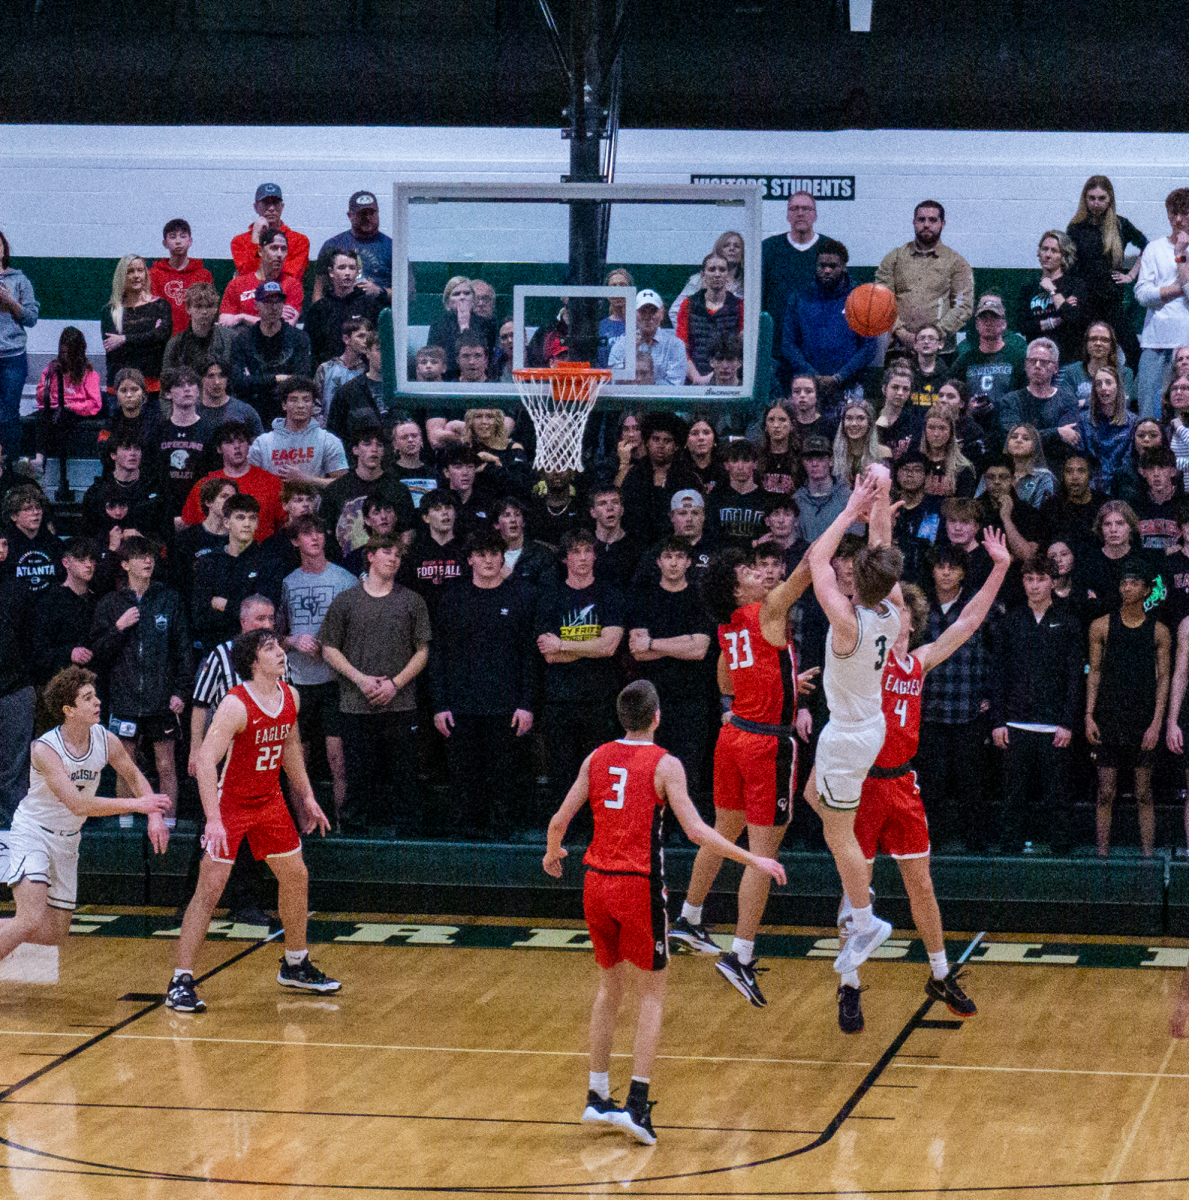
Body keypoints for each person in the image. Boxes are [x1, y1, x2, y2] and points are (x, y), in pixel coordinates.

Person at [543, 679, 786, 1146]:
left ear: (622, 717)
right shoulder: (665, 764)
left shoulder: (596, 758)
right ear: (657, 716)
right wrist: (754, 859)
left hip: (595, 881)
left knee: (609, 990)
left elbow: (558, 821)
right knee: (651, 996)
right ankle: (636, 1104)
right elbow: (696, 830)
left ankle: (596, 1095)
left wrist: (553, 853)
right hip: (638, 886)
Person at [837, 530, 1011, 1033]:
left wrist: (999, 566)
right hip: (863, 783)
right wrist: (877, 512)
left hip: (902, 784)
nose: (896, 614)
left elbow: (972, 618)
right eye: (889, 607)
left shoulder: (920, 661)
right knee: (856, 890)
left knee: (922, 884)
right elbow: (877, 581)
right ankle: (848, 984)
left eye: (903, 609)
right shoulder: (865, 655)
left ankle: (939, 973)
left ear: (912, 620)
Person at [668, 547, 813, 1002]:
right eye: (752, 572)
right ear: (737, 588)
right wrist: (854, 509)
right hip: (766, 743)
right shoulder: (767, 608)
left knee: (724, 830)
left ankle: (690, 918)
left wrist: (781, 681)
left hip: (733, 738)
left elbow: (727, 685)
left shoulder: (728, 625)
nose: (763, 575)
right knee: (762, 854)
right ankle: (741, 955)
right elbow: (810, 566)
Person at [166, 628, 336, 1013]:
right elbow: (206, 762)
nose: (280, 651)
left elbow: (289, 747)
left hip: (270, 800)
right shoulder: (235, 705)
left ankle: (295, 963)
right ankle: (180, 980)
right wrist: (212, 819)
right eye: (270, 648)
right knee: (210, 890)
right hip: (231, 804)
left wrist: (307, 796)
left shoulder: (290, 695)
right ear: (253, 662)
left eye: (279, 644)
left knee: (296, 875)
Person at [0, 667, 170, 972]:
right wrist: (140, 805)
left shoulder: (106, 740)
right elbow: (78, 804)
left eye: (96, 695)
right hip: (33, 833)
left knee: (54, 934)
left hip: (68, 841)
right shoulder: (45, 749)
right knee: (29, 918)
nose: (98, 702)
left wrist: (154, 815)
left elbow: (133, 774)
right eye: (88, 698)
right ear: (69, 710)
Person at [805, 470, 902, 977]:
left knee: (840, 835)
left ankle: (865, 920)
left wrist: (851, 508)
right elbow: (882, 551)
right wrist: (880, 502)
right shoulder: (890, 612)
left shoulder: (846, 621)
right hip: (868, 727)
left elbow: (816, 559)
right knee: (813, 801)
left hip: (846, 735)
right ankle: (861, 911)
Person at [319, 533, 430, 835]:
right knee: (356, 778)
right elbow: (328, 647)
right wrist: (360, 680)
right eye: (386, 551)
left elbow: (423, 651)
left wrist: (394, 684)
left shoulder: (412, 600)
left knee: (405, 778)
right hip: (355, 705)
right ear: (370, 556)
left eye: (398, 554)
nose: (393, 558)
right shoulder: (346, 600)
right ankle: (354, 841)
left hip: (401, 704)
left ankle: (410, 842)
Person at [430, 528, 536, 840]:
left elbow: (530, 656)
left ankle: (503, 839)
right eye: (481, 554)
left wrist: (527, 703)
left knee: (504, 779)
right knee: (464, 780)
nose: (488, 560)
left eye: (494, 554)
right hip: (461, 707)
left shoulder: (521, 596)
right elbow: (438, 656)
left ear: (503, 557)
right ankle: (464, 841)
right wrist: (439, 705)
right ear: (470, 559)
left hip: (507, 706)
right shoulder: (452, 598)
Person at [90, 536, 192, 818]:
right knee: (126, 765)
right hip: (124, 698)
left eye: (150, 556)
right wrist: (118, 628)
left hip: (162, 699)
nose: (148, 561)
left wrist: (181, 691)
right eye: (139, 556)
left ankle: (168, 826)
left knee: (166, 766)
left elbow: (183, 650)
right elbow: (97, 653)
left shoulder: (169, 598)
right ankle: (125, 827)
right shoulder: (110, 603)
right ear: (124, 564)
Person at [990, 555, 1083, 857]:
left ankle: (1062, 853)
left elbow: (1074, 678)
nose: (1034, 585)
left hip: (1054, 725)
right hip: (1015, 724)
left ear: (1053, 582)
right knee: (1013, 795)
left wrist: (1068, 722)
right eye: (1029, 579)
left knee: (1058, 796)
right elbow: (998, 673)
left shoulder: (1068, 621)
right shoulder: (1011, 620)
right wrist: (997, 720)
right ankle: (1008, 851)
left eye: (1040, 579)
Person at [534, 529, 625, 816]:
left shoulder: (610, 594)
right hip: (560, 699)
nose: (583, 557)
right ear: (564, 558)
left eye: (588, 551)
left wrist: (563, 644)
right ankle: (565, 832)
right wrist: (588, 647)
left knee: (600, 769)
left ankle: (598, 828)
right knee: (563, 773)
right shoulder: (550, 597)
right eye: (575, 551)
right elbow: (548, 655)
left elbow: (610, 646)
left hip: (600, 698)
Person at [1086, 560, 1170, 857]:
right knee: (1105, 791)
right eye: (1124, 583)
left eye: (1134, 583)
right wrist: (1088, 716)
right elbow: (1094, 672)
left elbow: (1164, 679)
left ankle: (1148, 859)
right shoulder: (1101, 625)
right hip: (1108, 717)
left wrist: (1157, 722)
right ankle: (1102, 856)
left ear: (1147, 589)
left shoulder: (1159, 631)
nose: (1127, 587)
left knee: (1144, 792)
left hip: (1143, 718)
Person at [279, 515, 356, 826]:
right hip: (299, 681)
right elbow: (274, 635)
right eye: (306, 534)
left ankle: (341, 824)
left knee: (338, 760)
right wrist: (293, 640)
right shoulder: (288, 582)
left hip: (333, 681)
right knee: (299, 760)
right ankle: (303, 827)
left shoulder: (345, 579)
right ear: (296, 541)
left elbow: (357, 630)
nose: (315, 539)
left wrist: (333, 646)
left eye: (319, 533)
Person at [761, 191, 844, 380]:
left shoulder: (829, 248)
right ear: (787, 215)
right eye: (794, 208)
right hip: (775, 348)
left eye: (806, 208)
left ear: (815, 215)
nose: (800, 213)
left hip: (816, 349)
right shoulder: (769, 248)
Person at [782, 241, 876, 404]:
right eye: (822, 265)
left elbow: (869, 347)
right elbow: (788, 344)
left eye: (833, 266)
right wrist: (812, 376)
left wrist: (840, 377)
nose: (827, 270)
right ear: (815, 266)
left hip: (849, 386)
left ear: (844, 267)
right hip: (808, 387)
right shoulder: (799, 298)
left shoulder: (860, 299)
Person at [875, 201, 974, 353]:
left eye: (933, 220)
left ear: (942, 224)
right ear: (914, 222)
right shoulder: (894, 258)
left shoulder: (956, 262)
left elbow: (963, 306)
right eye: (921, 220)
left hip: (941, 352)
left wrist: (932, 335)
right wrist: (902, 333)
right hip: (900, 348)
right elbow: (882, 302)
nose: (926, 225)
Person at [1066, 176, 1147, 337]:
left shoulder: (1120, 225)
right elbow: (1069, 266)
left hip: (1112, 300)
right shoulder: (1076, 228)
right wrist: (1070, 295)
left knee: (1126, 347)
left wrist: (1131, 275)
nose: (1096, 203)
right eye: (1092, 198)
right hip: (1084, 300)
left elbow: (1147, 246)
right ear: (1085, 198)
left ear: (1110, 199)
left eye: (1101, 198)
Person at [1135, 187, 1189, 421]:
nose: (1178, 219)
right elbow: (1142, 295)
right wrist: (1179, 290)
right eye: (1173, 213)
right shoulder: (1154, 249)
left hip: (1186, 344)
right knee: (1150, 415)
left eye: (1184, 213)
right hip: (1155, 343)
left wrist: (1180, 255)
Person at [180, 421, 285, 539]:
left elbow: (285, 525)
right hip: (215, 554)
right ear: (219, 449)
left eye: (241, 441)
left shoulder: (271, 482)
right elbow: (189, 526)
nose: (237, 446)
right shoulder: (205, 485)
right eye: (229, 442)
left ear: (249, 445)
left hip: (262, 554)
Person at [33, 326, 103, 502]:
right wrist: (57, 401)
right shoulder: (52, 369)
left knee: (63, 417)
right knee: (41, 417)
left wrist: (71, 404)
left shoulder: (89, 373)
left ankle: (61, 474)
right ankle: (39, 459)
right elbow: (42, 394)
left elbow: (95, 403)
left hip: (75, 410)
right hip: (53, 408)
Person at [228, 282, 313, 425]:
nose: (273, 307)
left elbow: (301, 379)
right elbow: (238, 383)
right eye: (267, 302)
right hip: (252, 413)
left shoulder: (299, 338)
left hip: (288, 414)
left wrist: (256, 380)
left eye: (278, 302)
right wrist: (278, 378)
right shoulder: (243, 340)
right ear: (256, 306)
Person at [249, 378, 349, 488]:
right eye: (294, 400)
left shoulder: (328, 441)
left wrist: (305, 479)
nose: (300, 405)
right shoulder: (263, 443)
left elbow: (343, 485)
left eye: (306, 400)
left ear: (313, 405)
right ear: (284, 405)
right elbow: (249, 482)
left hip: (313, 503)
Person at [101, 255, 172, 397]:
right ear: (122, 275)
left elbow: (162, 337)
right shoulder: (110, 311)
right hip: (120, 388)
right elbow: (113, 349)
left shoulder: (161, 305)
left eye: (140, 270)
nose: (136, 276)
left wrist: (123, 339)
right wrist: (149, 337)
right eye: (130, 271)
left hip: (152, 385)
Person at [949, 294, 1027, 422]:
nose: (988, 322)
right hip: (972, 426)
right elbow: (952, 394)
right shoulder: (964, 360)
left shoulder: (1017, 357)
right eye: (983, 318)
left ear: (1004, 324)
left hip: (1007, 426)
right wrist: (968, 407)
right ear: (976, 324)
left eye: (994, 317)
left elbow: (1025, 397)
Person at [32, 539, 100, 686]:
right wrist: (69, 653)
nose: (89, 565)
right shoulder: (50, 601)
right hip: (62, 685)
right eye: (81, 560)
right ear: (66, 563)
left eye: (91, 560)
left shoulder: (98, 600)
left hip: (95, 682)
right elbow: (38, 651)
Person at [304, 249, 385, 367]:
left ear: (357, 271)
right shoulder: (319, 309)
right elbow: (312, 349)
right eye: (342, 267)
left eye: (352, 268)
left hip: (363, 374)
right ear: (331, 272)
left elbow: (378, 345)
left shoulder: (371, 305)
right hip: (328, 375)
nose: (347, 273)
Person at [997, 338, 1079, 454]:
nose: (1037, 366)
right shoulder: (1011, 401)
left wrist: (1031, 437)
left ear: (1055, 368)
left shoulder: (1068, 400)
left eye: (1044, 362)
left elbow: (1067, 440)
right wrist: (1057, 432)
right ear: (1026, 365)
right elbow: (1014, 439)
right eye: (1032, 361)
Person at [1017, 231, 1087, 364]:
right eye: (1044, 249)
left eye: (1054, 251)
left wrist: (1053, 291)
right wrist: (1055, 320)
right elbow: (1023, 325)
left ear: (1063, 256)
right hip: (1037, 361)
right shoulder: (1029, 288)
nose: (1048, 255)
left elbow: (1074, 319)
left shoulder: (1075, 285)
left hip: (1067, 360)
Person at [675, 252, 744, 384]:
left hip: (728, 382)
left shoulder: (739, 305)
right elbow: (680, 347)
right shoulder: (688, 304)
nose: (717, 274)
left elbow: (741, 348)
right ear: (703, 274)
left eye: (722, 269)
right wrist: (697, 378)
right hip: (694, 380)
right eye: (712, 270)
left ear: (728, 274)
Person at [0, 229, 39, 460]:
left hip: (12, 358)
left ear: (5, 249)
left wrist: (11, 302)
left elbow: (31, 318)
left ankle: (10, 467)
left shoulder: (20, 280)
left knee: (8, 415)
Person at [316, 191, 393, 300]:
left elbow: (409, 293)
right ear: (350, 215)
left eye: (372, 213)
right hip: (339, 312)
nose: (368, 218)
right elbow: (319, 289)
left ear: (378, 213)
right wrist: (316, 314)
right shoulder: (332, 245)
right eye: (362, 214)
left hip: (379, 313)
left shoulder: (393, 248)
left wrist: (380, 291)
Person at [229, 183, 310, 285]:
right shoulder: (240, 241)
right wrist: (256, 238)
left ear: (282, 207)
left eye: (275, 203)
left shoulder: (299, 240)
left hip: (284, 296)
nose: (271, 208)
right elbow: (246, 278)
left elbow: (293, 279)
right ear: (256, 207)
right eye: (266, 203)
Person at [220, 228, 303, 327]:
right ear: (260, 251)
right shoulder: (237, 285)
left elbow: (287, 325)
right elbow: (224, 321)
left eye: (283, 249)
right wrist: (272, 317)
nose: (280, 254)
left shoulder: (292, 285)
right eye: (274, 248)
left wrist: (243, 317)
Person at [1072, 365, 1135, 494]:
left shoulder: (1132, 422)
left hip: (1122, 486)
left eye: (1108, 383)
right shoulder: (1083, 420)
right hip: (1092, 487)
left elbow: (1128, 461)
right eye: (1098, 384)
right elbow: (1082, 457)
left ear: (1118, 387)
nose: (1103, 388)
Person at [607, 291, 688, 388]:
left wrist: (646, 385)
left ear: (662, 314)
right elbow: (615, 385)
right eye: (642, 311)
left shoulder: (676, 345)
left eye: (653, 311)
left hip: (664, 402)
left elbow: (675, 386)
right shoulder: (621, 346)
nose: (647, 317)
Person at [150, 219, 214, 336]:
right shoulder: (153, 275)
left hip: (194, 339)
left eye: (183, 236)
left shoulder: (203, 274)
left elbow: (208, 310)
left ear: (190, 241)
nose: (178, 241)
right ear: (165, 243)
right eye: (173, 237)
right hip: (161, 341)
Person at [161, 283, 238, 379]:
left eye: (209, 306)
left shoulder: (230, 338)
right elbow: (167, 385)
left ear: (215, 309)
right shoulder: (175, 344)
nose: (204, 312)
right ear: (188, 308)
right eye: (198, 307)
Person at [669, 232, 745, 327]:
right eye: (726, 245)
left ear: (742, 252)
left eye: (737, 246)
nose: (732, 249)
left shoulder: (747, 283)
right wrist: (688, 336)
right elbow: (675, 311)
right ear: (719, 250)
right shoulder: (698, 280)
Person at [1058, 321, 1137, 410]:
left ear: (1112, 345)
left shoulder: (1124, 373)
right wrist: (1107, 400)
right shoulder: (1071, 372)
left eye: (1104, 340)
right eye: (1093, 339)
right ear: (1086, 344)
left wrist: (1084, 402)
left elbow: (1123, 403)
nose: (1098, 343)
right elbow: (1067, 405)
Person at [428, 277, 496, 378]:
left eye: (467, 293)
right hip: (448, 379)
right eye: (456, 294)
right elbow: (437, 358)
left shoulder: (486, 324)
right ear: (448, 302)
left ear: (473, 299)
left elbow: (486, 357)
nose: (462, 297)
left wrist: (465, 327)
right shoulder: (438, 325)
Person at [328, 329, 391, 439]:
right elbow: (334, 435)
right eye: (379, 349)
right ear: (367, 352)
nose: (385, 354)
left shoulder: (404, 390)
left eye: (390, 350)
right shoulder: (348, 391)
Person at [710, 440, 769, 549]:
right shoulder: (716, 497)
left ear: (755, 464)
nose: (740, 467)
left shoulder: (766, 499)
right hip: (723, 560)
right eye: (735, 460)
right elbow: (711, 538)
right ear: (726, 465)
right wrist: (752, 544)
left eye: (746, 460)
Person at [794, 435, 850, 543]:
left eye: (820, 458)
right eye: (809, 459)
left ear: (831, 461)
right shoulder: (797, 500)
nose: (814, 464)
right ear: (803, 463)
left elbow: (855, 540)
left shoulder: (848, 498)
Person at [316, 317, 369, 424]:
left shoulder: (367, 371)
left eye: (368, 337)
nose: (366, 341)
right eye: (361, 336)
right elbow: (315, 404)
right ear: (346, 339)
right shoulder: (326, 368)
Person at [197, 358, 265, 442]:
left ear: (227, 379)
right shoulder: (192, 411)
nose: (217, 382)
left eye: (221, 376)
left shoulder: (245, 411)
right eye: (211, 376)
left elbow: (259, 448)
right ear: (202, 379)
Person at [920, 409, 976, 499]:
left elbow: (963, 506)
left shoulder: (962, 467)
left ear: (951, 432)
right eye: (931, 427)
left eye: (942, 428)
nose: (936, 434)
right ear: (925, 430)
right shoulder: (915, 463)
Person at [833, 400, 888, 487]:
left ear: (869, 423)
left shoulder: (883, 453)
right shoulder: (835, 453)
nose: (854, 424)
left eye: (861, 418)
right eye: (849, 418)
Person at [874, 361, 921, 462]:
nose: (900, 393)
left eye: (905, 389)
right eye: (895, 387)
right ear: (884, 389)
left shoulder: (915, 421)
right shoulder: (871, 417)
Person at [1003, 423, 1056, 508]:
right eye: (1014, 437)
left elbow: (1042, 513)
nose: (1018, 440)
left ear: (1034, 446)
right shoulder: (993, 474)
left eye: (1026, 438)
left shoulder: (1043, 477)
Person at [756, 402, 800, 497]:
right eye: (771, 420)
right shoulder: (756, 457)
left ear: (792, 424)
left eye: (782, 420)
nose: (776, 425)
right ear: (765, 426)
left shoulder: (800, 456)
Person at [908, 324, 950, 408]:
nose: (926, 342)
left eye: (931, 338)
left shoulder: (947, 375)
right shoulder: (906, 372)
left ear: (940, 344)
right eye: (922, 338)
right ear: (915, 345)